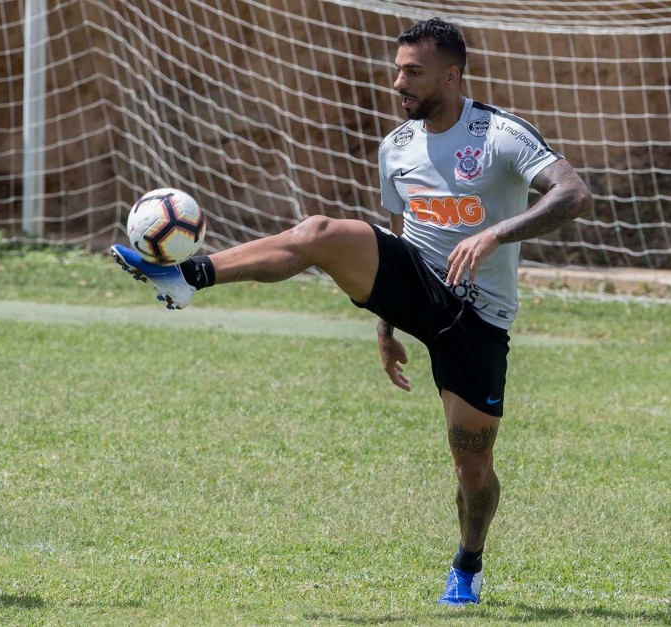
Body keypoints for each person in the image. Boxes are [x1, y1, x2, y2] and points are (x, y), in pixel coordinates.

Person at [109, 18, 592, 606]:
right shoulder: (397, 147)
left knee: (472, 466)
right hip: (416, 283)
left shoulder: (500, 135)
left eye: (413, 72)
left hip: (477, 316)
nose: (398, 83)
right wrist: (386, 326)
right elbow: (397, 237)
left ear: (452, 74)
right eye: (397, 70)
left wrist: (494, 236)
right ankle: (189, 275)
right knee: (318, 232)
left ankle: (469, 561)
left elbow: (574, 194)